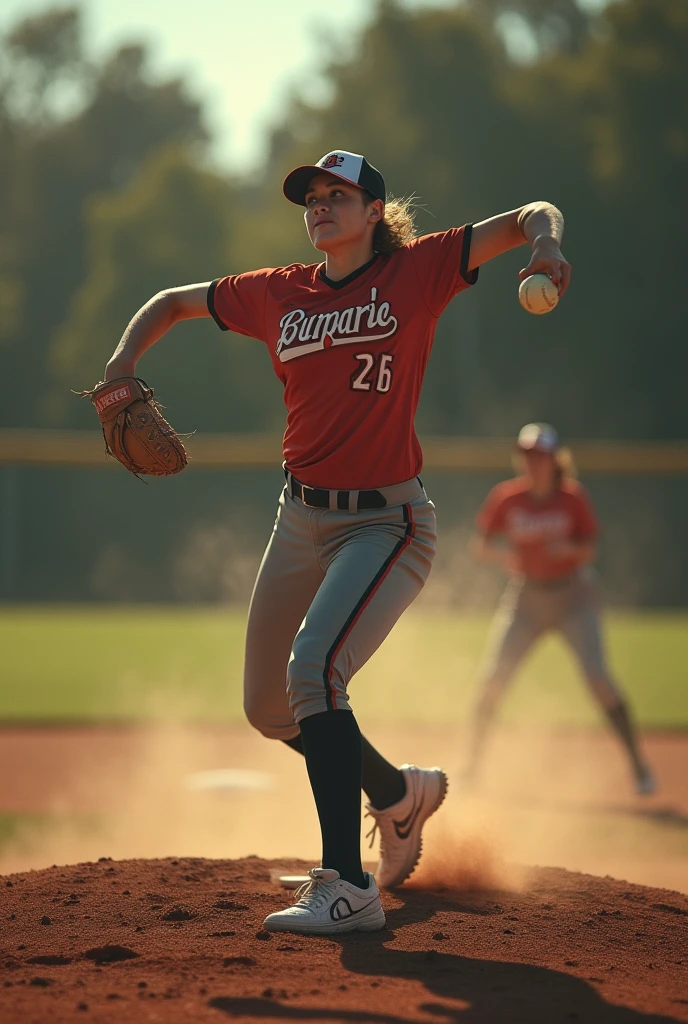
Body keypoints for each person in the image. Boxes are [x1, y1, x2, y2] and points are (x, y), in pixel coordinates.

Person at [102, 149, 571, 935]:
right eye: (311, 197)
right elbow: (170, 301)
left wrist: (546, 245)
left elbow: (534, 210)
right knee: (265, 705)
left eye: (337, 195)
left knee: (314, 669)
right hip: (299, 520)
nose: (319, 205)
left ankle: (347, 887)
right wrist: (122, 360)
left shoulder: (417, 271)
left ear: (375, 213)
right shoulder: (275, 293)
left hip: (386, 523)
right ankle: (397, 795)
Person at [463, 422, 655, 796]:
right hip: (525, 599)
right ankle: (471, 767)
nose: (533, 462)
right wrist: (506, 555)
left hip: (573, 599)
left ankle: (639, 767)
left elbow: (589, 550)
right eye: (528, 455)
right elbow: (480, 545)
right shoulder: (507, 497)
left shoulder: (572, 498)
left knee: (599, 679)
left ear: (554, 460)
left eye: (540, 456)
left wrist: (567, 551)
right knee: (493, 680)